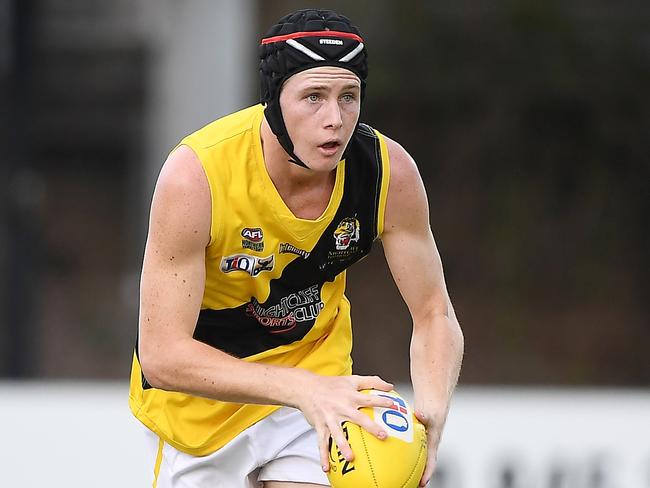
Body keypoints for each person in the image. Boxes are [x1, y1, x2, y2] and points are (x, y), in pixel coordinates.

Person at [129, 8, 464, 488]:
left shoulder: (388, 173)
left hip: (316, 379)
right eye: (313, 97)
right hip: (200, 411)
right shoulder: (196, 176)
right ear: (272, 101)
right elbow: (161, 355)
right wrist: (304, 390)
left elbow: (435, 313)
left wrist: (430, 421)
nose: (335, 120)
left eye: (349, 96)